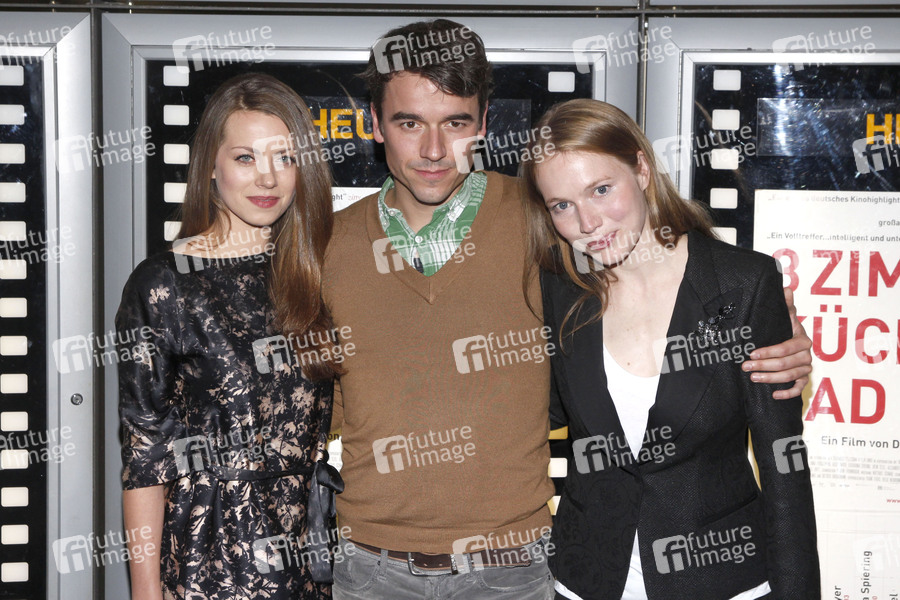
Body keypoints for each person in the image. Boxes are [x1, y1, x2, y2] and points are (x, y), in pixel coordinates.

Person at [323, 19, 815, 600]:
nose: (434, 150)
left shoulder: (540, 223)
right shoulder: (323, 245)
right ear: (374, 123)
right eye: (410, 123)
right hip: (372, 569)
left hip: (515, 570)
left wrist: (775, 335)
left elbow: (679, 282)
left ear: (483, 123)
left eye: (455, 123)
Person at [520, 98, 820, 599]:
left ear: (641, 169)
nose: (588, 223)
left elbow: (783, 465)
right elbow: (535, 411)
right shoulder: (558, 288)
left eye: (600, 189)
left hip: (722, 581)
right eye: (562, 206)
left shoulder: (743, 283)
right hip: (585, 581)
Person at [116, 73, 341, 600]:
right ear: (211, 167)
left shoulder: (315, 271)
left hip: (306, 555)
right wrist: (146, 595)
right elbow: (146, 457)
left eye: (285, 158)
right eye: (245, 157)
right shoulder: (165, 284)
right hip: (208, 558)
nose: (268, 178)